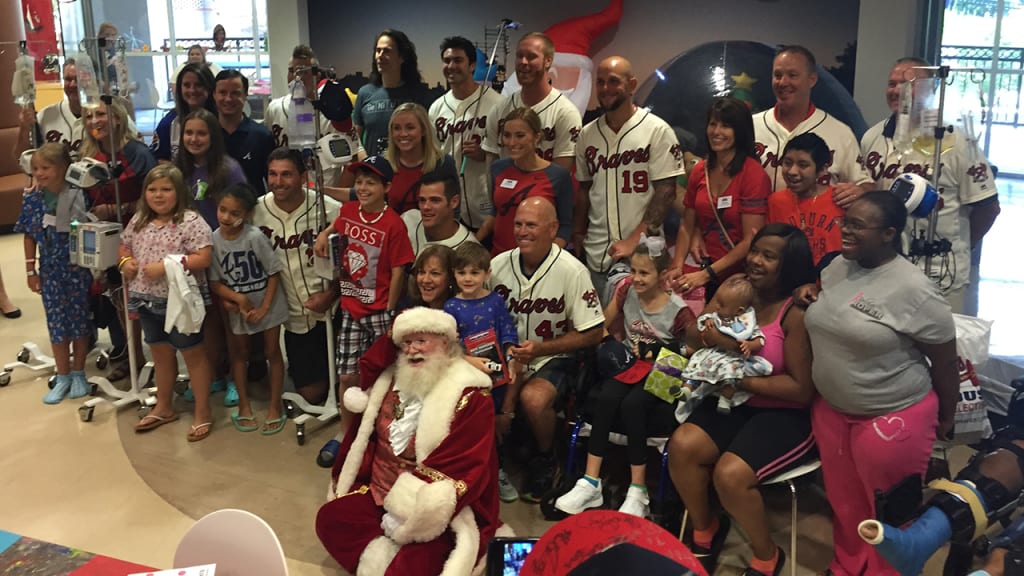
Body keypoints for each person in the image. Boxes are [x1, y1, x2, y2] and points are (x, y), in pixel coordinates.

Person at [803, 191, 958, 576]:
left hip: (891, 416)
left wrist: (948, 415)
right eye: (845, 222)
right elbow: (831, 311)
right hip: (833, 410)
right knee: (845, 503)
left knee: (890, 515)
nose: (846, 231)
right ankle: (848, 565)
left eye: (857, 225)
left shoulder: (915, 290)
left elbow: (944, 362)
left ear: (889, 234)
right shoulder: (837, 266)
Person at [667, 223, 817, 576]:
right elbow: (692, 338)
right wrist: (714, 320)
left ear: (789, 265)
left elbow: (800, 389)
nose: (755, 260)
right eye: (755, 251)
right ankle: (705, 528)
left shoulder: (795, 312)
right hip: (734, 402)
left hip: (783, 414)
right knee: (682, 446)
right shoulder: (737, 291)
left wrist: (738, 379)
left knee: (730, 475)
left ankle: (767, 555)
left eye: (769, 256)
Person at [315, 307, 499, 575]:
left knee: (414, 566)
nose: (412, 350)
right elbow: (372, 362)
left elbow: (463, 465)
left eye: (421, 341)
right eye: (407, 342)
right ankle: (379, 559)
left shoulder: (471, 396)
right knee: (329, 519)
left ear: (445, 343)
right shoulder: (390, 379)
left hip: (433, 512)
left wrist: (406, 512)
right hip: (377, 493)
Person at [554, 235, 694, 518]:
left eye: (644, 273)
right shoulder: (626, 290)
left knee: (633, 405)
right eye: (633, 271)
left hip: (666, 369)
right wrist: (609, 343)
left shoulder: (679, 311)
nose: (636, 278)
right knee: (606, 396)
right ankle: (591, 482)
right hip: (631, 363)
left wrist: (660, 350)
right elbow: (601, 324)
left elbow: (693, 348)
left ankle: (638, 491)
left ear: (662, 275)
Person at [859, 56, 1000, 314]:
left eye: (908, 84)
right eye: (892, 83)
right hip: (885, 266)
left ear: (931, 89)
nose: (897, 90)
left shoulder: (958, 141)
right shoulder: (873, 137)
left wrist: (960, 246)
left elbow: (988, 207)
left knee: (939, 336)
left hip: (940, 272)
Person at [490, 197, 605, 502]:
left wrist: (542, 348)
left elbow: (594, 332)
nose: (522, 231)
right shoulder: (497, 265)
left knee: (534, 398)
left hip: (554, 356)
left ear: (553, 228)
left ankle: (547, 458)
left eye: (531, 225)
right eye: (518, 224)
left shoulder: (572, 270)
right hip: (505, 355)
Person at [313, 155, 414, 433]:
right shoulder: (349, 211)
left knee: (383, 376)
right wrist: (324, 233)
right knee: (347, 376)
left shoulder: (394, 224)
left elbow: (398, 270)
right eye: (359, 182)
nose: (363, 188)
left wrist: (390, 309)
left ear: (386, 187)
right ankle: (347, 434)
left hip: (380, 311)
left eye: (370, 183)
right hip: (351, 308)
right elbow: (338, 224)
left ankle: (380, 433)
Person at [575, 56, 684, 300]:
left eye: (614, 81)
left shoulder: (657, 130)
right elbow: (584, 189)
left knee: (639, 322)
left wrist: (634, 239)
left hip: (644, 256)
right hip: (596, 252)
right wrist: (578, 233)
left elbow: (666, 191)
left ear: (632, 85)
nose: (606, 88)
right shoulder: (587, 135)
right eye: (600, 82)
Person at [120, 164, 215, 442]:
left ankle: (202, 411)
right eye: (152, 189)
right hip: (146, 300)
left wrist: (166, 265)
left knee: (193, 355)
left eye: (166, 189)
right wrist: (125, 261)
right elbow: (125, 245)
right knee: (160, 354)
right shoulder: (139, 220)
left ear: (179, 192)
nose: (158, 195)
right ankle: (164, 406)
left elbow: (203, 257)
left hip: (180, 302)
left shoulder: (191, 221)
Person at [253, 147, 340, 406]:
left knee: (346, 383)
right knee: (312, 395)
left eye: (286, 174)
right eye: (273, 174)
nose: (278, 182)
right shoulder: (256, 211)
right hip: (294, 315)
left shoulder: (329, 209)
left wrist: (332, 293)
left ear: (303, 177)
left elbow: (355, 262)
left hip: (334, 308)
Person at [81, 96, 155, 382]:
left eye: (101, 114)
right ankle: (134, 357)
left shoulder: (137, 153)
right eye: (89, 116)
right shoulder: (88, 156)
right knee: (119, 300)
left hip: (140, 235)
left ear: (117, 118)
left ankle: (162, 360)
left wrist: (114, 209)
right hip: (106, 238)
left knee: (148, 298)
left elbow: (154, 198)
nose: (95, 121)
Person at [667, 97, 770, 303]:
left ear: (740, 131)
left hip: (743, 278)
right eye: (713, 124)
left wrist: (705, 275)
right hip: (710, 273)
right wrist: (677, 266)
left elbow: (751, 240)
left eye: (726, 126)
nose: (716, 131)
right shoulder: (699, 171)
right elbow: (687, 224)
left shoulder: (753, 174)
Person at [209, 183, 289, 435]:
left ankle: (275, 406)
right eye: (223, 209)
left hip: (269, 305)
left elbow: (274, 272)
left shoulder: (254, 237)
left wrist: (264, 307)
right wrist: (236, 299)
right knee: (239, 353)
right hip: (238, 310)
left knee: (272, 351)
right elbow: (214, 281)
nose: (226, 217)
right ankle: (244, 405)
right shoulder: (213, 240)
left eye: (235, 213)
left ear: (247, 214)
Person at [15, 143, 92, 403]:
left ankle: (79, 372)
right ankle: (63, 375)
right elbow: (29, 235)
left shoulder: (79, 195)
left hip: (78, 269)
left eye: (46, 168)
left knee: (79, 321)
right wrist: (30, 270)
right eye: (36, 168)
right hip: (49, 270)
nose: (39, 173)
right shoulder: (33, 199)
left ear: (63, 168)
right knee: (57, 323)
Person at [444, 242, 520, 501]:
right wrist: (467, 360)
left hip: (495, 375)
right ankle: (471, 476)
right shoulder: (451, 307)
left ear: (487, 273)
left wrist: (511, 355)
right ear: (454, 274)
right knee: (470, 425)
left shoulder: (495, 301)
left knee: (494, 423)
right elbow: (448, 346)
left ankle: (497, 471)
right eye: (462, 272)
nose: (468, 278)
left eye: (474, 272)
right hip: (465, 377)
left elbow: (507, 330)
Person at [753, 45, 872, 199]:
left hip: (817, 214)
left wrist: (860, 191)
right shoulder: (751, 125)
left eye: (792, 75)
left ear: (812, 79)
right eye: (777, 75)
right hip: (761, 214)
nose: (783, 82)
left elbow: (865, 184)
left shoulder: (839, 132)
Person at [428, 36, 504, 239]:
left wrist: (486, 154)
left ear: (472, 65)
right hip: (450, 207)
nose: (451, 66)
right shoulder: (436, 108)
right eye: (447, 61)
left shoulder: (497, 103)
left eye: (458, 60)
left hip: (487, 203)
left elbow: (512, 155)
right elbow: (434, 157)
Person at [482, 32, 582, 172]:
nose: (523, 62)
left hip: (544, 186)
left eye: (531, 57)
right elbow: (491, 167)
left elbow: (560, 175)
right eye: (519, 56)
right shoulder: (500, 109)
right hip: (506, 185)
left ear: (548, 61)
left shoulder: (565, 113)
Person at [678, 274, 772, 415]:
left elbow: (760, 339)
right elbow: (703, 323)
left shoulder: (747, 322)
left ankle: (725, 399)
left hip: (731, 358)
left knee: (731, 375)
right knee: (696, 364)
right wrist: (707, 321)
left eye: (721, 305)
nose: (716, 307)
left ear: (739, 310)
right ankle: (686, 389)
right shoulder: (717, 316)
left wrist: (750, 345)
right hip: (712, 353)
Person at [488, 107, 573, 256]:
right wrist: (473, 241)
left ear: (536, 137)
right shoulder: (498, 168)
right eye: (507, 135)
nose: (512, 142)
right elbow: (495, 213)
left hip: (537, 261)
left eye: (520, 136)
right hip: (499, 257)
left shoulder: (558, 176)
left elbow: (565, 226)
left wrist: (548, 259)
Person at [264, 45, 350, 188]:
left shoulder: (334, 112)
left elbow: (351, 162)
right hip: (285, 192)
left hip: (325, 192)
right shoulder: (275, 108)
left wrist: (334, 198)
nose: (296, 77)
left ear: (317, 75)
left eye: (303, 71)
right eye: (291, 71)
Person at [766, 132, 844, 269]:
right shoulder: (776, 201)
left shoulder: (840, 199)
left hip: (832, 278)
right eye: (787, 163)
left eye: (802, 165)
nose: (792, 171)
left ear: (822, 169)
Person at [351, 29, 433, 157]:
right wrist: (363, 158)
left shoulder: (419, 94)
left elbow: (429, 139)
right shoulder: (365, 93)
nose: (380, 56)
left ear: (401, 57)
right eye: (378, 51)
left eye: (387, 51)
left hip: (410, 167)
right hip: (373, 168)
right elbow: (355, 138)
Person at [380, 103, 458, 215]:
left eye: (410, 128)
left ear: (424, 130)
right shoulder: (383, 164)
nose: (403, 134)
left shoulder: (443, 163)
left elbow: (454, 209)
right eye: (397, 128)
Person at [215, 69, 275, 195]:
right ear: (214, 95)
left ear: (245, 95)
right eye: (222, 92)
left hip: (254, 205)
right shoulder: (207, 135)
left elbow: (272, 181)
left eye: (235, 93)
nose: (228, 99)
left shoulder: (262, 136)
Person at [15, 59, 83, 158]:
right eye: (68, 79)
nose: (73, 84)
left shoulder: (100, 115)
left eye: (78, 79)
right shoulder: (45, 115)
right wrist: (24, 129)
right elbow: (20, 158)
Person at [152, 62, 217, 163]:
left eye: (198, 85)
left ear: (209, 87)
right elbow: (159, 158)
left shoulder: (220, 120)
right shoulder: (168, 123)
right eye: (187, 85)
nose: (192, 90)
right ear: (180, 88)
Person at [400, 173, 479, 254]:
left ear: (454, 202)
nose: (426, 207)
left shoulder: (469, 252)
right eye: (422, 200)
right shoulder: (407, 220)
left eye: (435, 200)